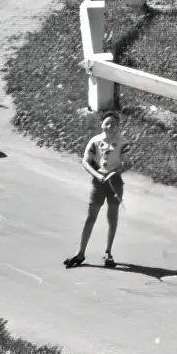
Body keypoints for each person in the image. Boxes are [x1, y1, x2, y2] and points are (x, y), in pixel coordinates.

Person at [66, 109, 125, 268]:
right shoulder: (95, 141)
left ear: (118, 127)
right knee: (91, 217)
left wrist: (114, 173)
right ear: (102, 124)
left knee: (112, 219)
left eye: (114, 124)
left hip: (115, 184)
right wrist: (97, 175)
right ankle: (81, 252)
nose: (110, 126)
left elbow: (127, 162)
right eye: (107, 123)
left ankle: (108, 252)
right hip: (98, 183)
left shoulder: (122, 142)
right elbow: (85, 161)